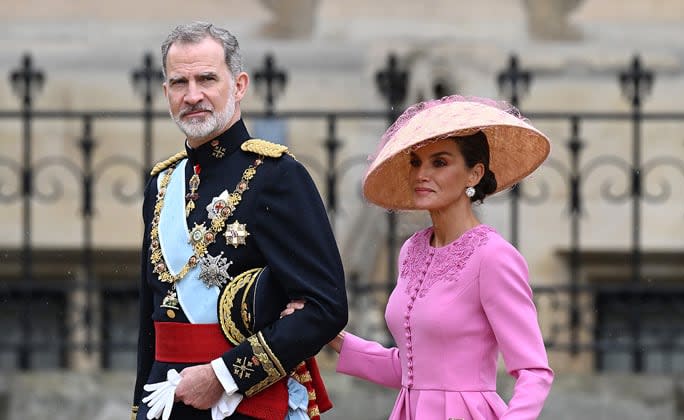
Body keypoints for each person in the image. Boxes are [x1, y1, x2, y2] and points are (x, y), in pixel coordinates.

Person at [131, 21, 348, 420]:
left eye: (207, 79)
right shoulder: (162, 184)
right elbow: (152, 316)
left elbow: (326, 307)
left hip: (245, 403)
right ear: (166, 93)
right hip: (165, 404)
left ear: (240, 85)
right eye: (179, 82)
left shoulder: (277, 176)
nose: (192, 95)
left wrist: (225, 375)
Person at [324, 95, 554, 419]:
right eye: (416, 162)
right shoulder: (411, 251)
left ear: (474, 175)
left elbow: (534, 372)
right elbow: (409, 367)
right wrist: (333, 338)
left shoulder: (494, 256)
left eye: (440, 162)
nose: (422, 174)